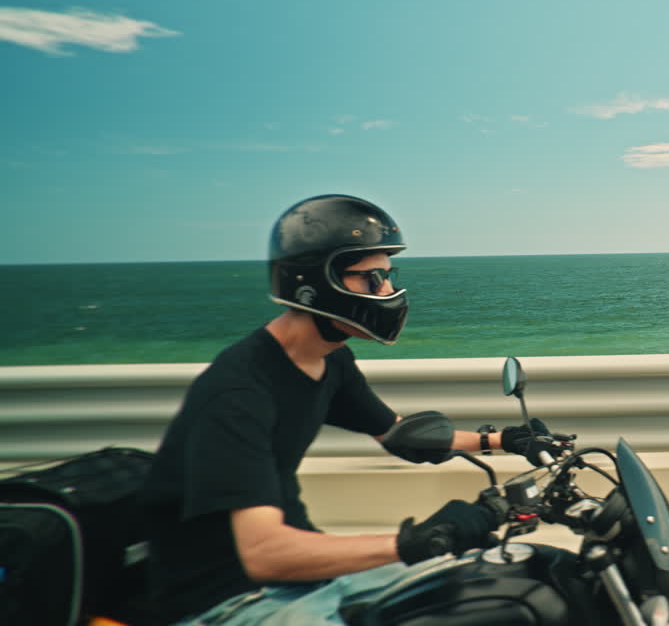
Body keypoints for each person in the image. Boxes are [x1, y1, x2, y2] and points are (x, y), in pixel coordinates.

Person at [138, 194, 561, 625]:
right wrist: (416, 540)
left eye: (388, 275)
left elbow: (400, 434)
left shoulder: (328, 360)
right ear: (312, 284)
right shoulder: (238, 393)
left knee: (481, 585)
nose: (387, 291)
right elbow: (263, 553)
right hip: (229, 599)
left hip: (306, 576)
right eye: (371, 278)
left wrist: (506, 440)